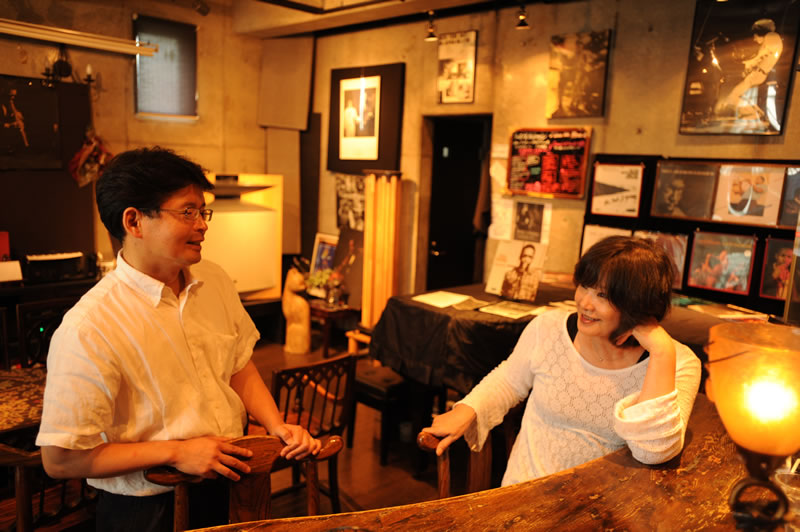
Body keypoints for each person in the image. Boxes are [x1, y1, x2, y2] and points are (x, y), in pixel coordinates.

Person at [35, 147, 321, 531]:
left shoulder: (214, 279)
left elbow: (237, 364)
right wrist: (177, 452)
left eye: (203, 212)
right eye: (188, 212)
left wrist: (276, 425)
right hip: (148, 507)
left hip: (229, 479)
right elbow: (60, 459)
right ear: (134, 221)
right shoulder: (89, 327)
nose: (202, 225)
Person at [424, 236, 701, 486]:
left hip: (604, 508)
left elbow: (654, 452)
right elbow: (509, 380)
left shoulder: (678, 363)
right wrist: (467, 410)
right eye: (585, 286)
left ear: (639, 305)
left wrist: (662, 352)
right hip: (524, 492)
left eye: (603, 295)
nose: (585, 303)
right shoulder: (548, 328)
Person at [715, 19, 783, 122]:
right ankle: (758, 112)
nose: (754, 39)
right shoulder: (771, 41)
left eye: (755, 35)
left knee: (732, 98)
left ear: (761, 32)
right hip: (757, 74)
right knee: (740, 95)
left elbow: (760, 56)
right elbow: (760, 57)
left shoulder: (771, 37)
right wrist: (748, 64)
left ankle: (753, 114)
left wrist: (748, 63)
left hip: (757, 74)